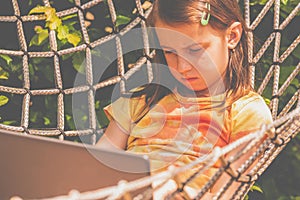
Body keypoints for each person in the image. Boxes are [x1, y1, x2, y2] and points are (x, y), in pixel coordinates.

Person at [97, 0, 272, 199]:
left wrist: (176, 190)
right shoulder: (142, 101)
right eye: (170, 52)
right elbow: (95, 167)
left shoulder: (245, 111)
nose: (182, 67)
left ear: (231, 36)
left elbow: (226, 194)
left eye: (195, 51)